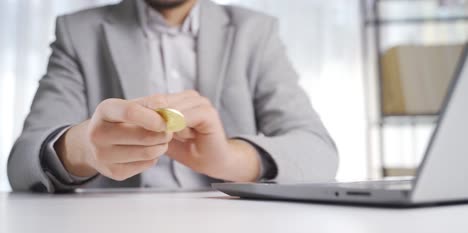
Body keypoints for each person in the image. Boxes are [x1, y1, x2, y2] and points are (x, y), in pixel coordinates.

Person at [8, 0, 339, 193]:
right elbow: (21, 163)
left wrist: (231, 159)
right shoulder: (79, 31)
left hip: (234, 232)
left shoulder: (255, 32)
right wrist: (82, 149)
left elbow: (320, 154)